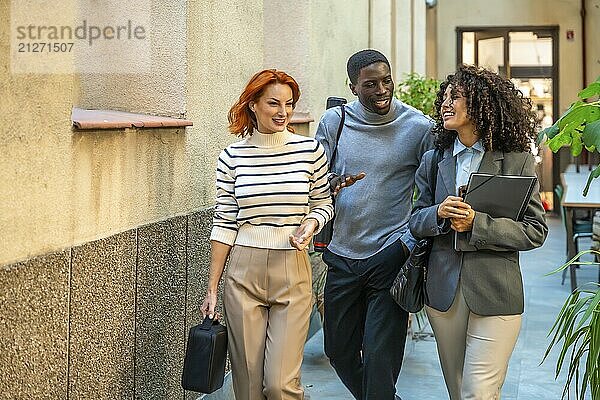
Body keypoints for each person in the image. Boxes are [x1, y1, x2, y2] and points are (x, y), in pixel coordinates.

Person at [409, 64, 548, 399]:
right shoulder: (434, 159)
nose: (445, 103)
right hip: (443, 294)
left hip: (497, 292)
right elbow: (415, 220)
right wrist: (438, 214)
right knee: (461, 393)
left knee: (477, 393)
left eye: (455, 97)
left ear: (483, 103)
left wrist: (478, 224)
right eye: (444, 96)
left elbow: (535, 230)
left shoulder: (516, 160)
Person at [201, 69, 334, 400]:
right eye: (273, 103)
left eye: (289, 104)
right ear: (253, 105)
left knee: (279, 385)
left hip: (293, 268)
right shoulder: (232, 156)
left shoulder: (310, 150)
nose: (283, 112)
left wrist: (311, 224)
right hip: (243, 272)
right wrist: (213, 288)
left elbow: (323, 202)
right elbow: (225, 221)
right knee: (247, 386)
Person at [315, 49, 434, 400]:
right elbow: (314, 179)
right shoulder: (333, 123)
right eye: (370, 84)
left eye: (386, 80)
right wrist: (331, 182)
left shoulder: (418, 128)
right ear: (353, 87)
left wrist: (408, 241)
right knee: (339, 352)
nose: (382, 89)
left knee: (381, 360)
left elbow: (429, 192)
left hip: (390, 255)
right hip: (342, 255)